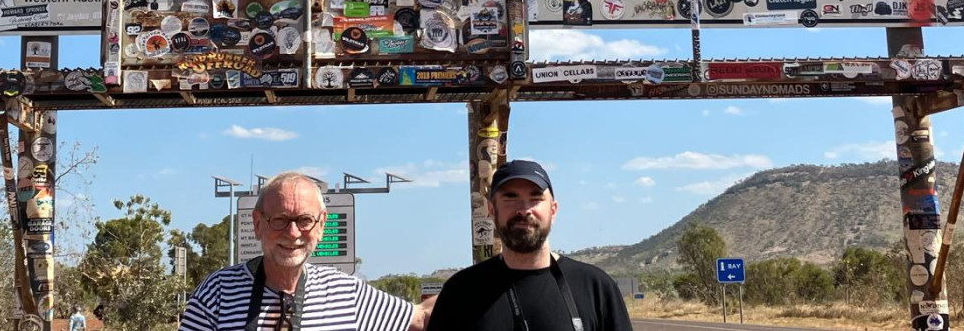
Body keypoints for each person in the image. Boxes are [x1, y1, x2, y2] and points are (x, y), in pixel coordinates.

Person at [180, 172, 432, 331]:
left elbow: (421, 318)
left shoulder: (346, 293)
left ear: (321, 225)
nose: (292, 233)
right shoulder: (219, 292)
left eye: (304, 220)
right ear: (258, 224)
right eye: (279, 219)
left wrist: (470, 284)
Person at [427, 160, 634, 331]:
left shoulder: (595, 287)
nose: (524, 209)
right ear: (491, 210)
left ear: (553, 210)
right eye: (510, 197)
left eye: (535, 198)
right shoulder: (462, 292)